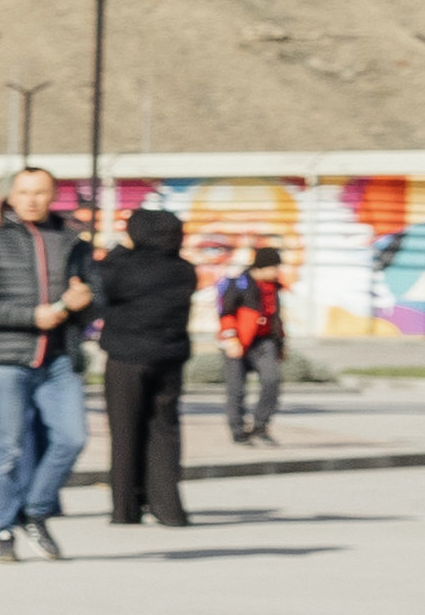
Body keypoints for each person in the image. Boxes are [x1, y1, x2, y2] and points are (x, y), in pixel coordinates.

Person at [0, 167, 96, 562]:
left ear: (53, 195)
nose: (31, 199)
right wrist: (32, 316)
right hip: (6, 359)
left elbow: (92, 298)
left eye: (40, 192)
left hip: (59, 357)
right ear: (10, 196)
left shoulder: (72, 241)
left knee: (72, 438)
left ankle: (36, 509)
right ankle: (3, 528)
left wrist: (86, 302)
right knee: (10, 448)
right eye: (24, 192)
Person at [92, 201, 196, 530]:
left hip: (126, 359)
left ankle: (126, 508)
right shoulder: (183, 269)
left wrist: (118, 252)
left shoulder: (123, 267)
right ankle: (169, 509)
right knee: (164, 432)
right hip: (169, 359)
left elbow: (103, 285)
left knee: (125, 433)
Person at [212, 238, 287, 448]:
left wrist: (280, 344)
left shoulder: (273, 288)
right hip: (237, 342)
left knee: (272, 381)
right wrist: (231, 339)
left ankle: (261, 426)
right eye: (274, 267)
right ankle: (238, 430)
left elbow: (275, 318)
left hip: (264, 343)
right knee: (236, 389)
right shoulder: (240, 283)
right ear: (262, 267)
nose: (277, 271)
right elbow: (226, 312)